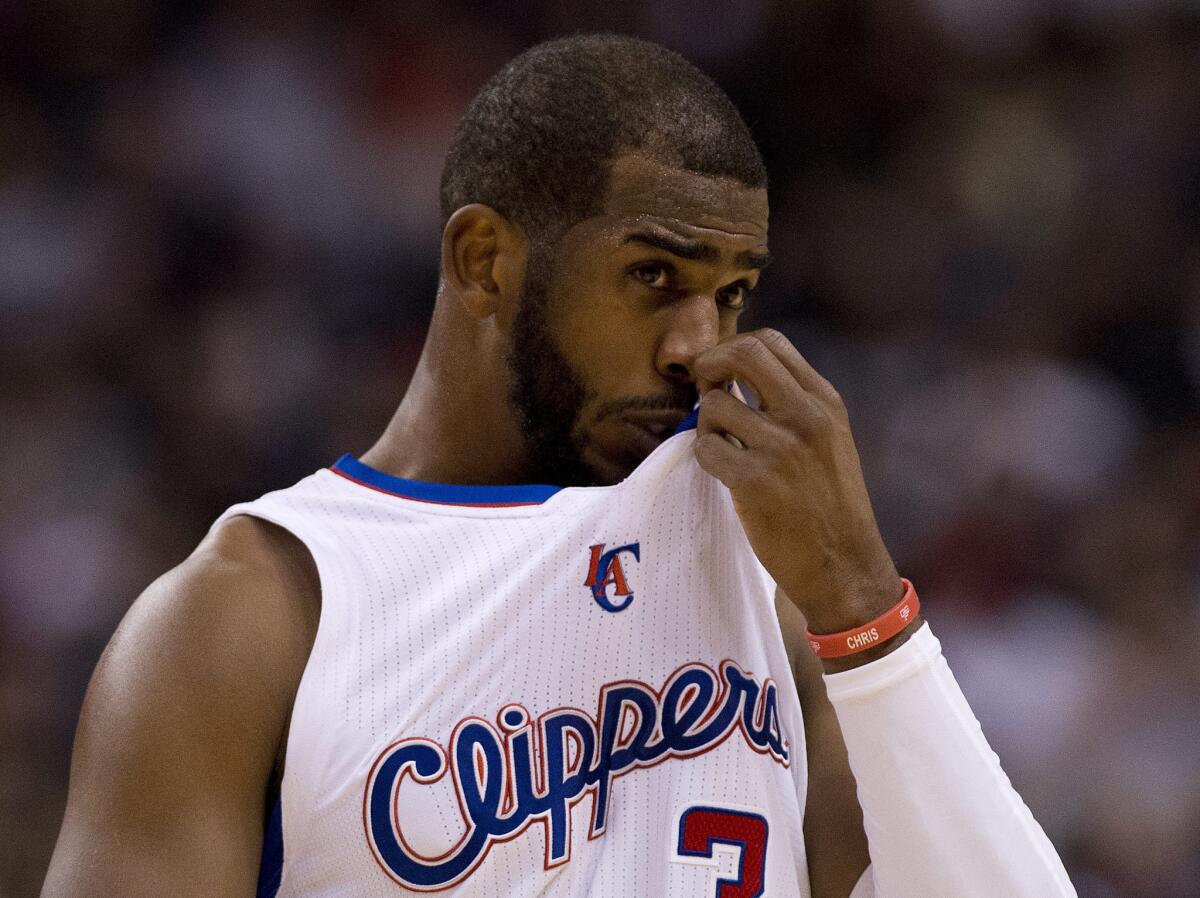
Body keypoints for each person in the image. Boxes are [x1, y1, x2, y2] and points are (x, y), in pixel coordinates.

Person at [42, 35, 1075, 898]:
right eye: (653, 275)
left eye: (729, 294)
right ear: (484, 260)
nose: (694, 344)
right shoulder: (257, 610)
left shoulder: (770, 572)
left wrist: (863, 603)